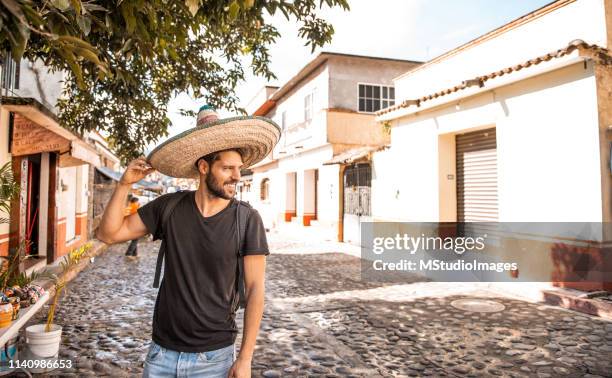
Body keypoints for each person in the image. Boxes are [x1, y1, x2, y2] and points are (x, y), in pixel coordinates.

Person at [96, 105, 281, 378]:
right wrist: (124, 185)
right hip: (161, 354)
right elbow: (108, 234)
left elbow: (255, 290)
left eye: (238, 168)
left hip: (215, 358)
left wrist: (245, 358)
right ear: (204, 167)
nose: (237, 177)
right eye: (227, 168)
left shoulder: (247, 220)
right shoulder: (168, 207)